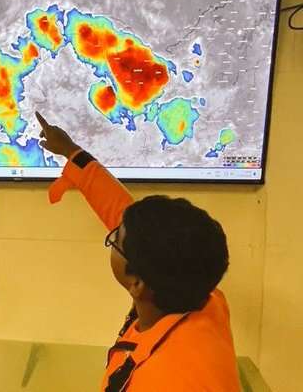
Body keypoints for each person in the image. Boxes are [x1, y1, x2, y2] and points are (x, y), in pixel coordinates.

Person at [36, 112, 240, 391]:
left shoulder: (160, 380)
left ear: (138, 282)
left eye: (115, 238)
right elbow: (122, 212)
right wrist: (72, 152)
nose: (116, 228)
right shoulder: (205, 299)